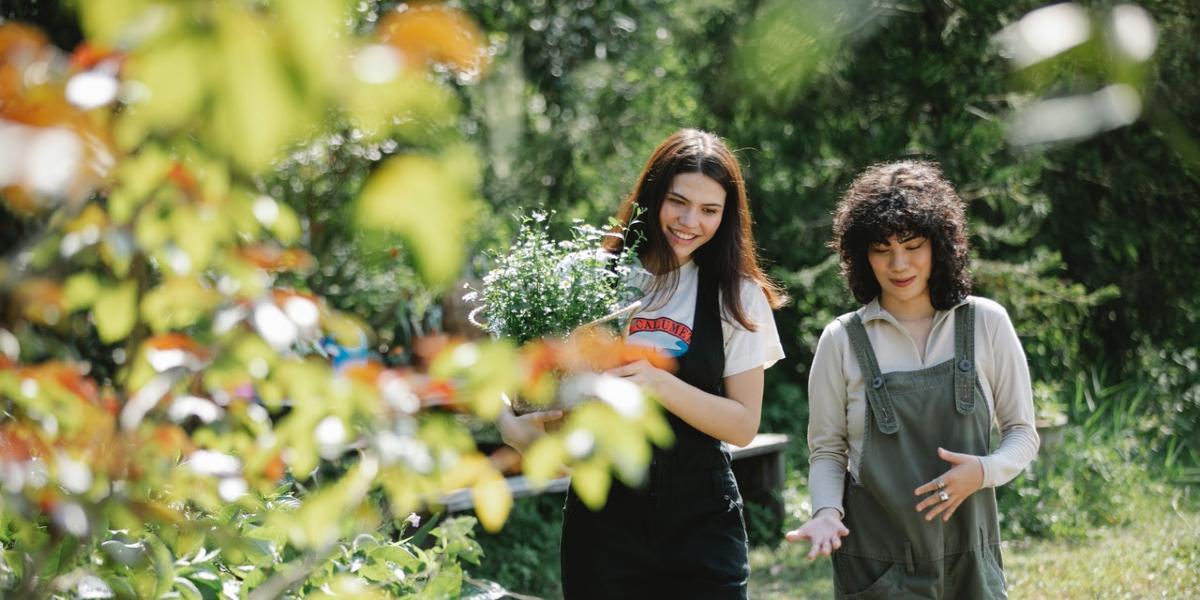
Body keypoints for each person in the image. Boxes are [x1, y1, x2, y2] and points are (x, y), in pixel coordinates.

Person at [499, 128, 787, 599]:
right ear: (652, 196)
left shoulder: (738, 296)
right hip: (604, 522)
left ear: (727, 216)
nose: (690, 221)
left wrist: (658, 383)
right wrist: (511, 419)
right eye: (678, 202)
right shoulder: (587, 281)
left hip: (703, 522)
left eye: (710, 210)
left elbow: (741, 425)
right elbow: (525, 388)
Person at [785, 161, 1040, 598]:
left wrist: (982, 471)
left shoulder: (986, 323)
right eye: (881, 249)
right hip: (877, 567)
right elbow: (827, 449)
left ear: (940, 246)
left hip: (971, 562)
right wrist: (827, 511)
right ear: (861, 255)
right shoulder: (841, 341)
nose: (898, 264)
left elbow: (1022, 434)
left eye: (913, 245)